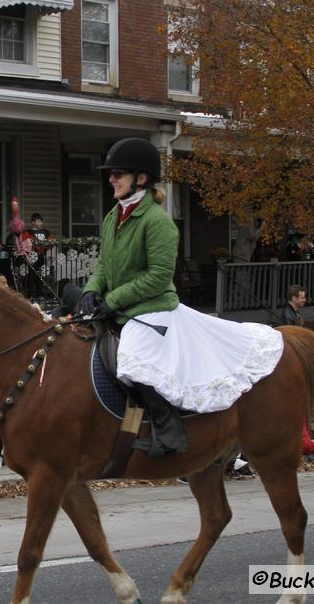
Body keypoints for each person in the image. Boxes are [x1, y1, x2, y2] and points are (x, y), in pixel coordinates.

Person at [80, 138, 284, 458]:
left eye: (118, 173)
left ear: (141, 178)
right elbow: (105, 264)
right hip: (120, 307)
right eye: (111, 174)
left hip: (152, 308)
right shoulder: (112, 217)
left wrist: (115, 298)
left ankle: (168, 430)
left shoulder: (158, 222)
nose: (111, 179)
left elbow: (158, 276)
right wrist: (92, 289)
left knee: (134, 362)